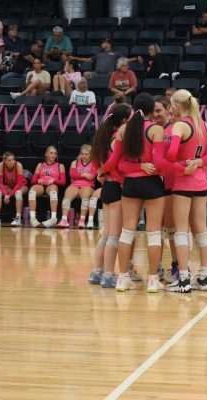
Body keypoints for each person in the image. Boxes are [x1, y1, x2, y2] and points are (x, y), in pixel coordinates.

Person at [107, 93, 186, 292]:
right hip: (152, 185)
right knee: (153, 233)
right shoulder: (156, 129)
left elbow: (117, 163)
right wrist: (182, 169)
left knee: (127, 233)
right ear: (152, 110)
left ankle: (122, 278)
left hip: (130, 185)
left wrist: (102, 170)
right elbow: (159, 162)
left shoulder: (124, 129)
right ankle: (152, 279)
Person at [166, 89, 207, 292]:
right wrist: (201, 161)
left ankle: (183, 279)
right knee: (201, 230)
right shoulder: (203, 125)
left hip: (183, 183)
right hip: (201, 182)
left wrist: (180, 162)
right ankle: (204, 276)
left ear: (176, 105)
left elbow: (172, 154)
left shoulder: (180, 126)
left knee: (181, 231)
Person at [89, 103, 132, 287]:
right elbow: (116, 164)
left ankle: (96, 272)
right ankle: (108, 275)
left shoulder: (104, 137)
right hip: (116, 187)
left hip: (108, 187)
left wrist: (100, 172)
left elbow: (96, 161)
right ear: (124, 120)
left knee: (106, 235)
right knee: (113, 236)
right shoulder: (117, 139)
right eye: (130, 118)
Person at [153, 95, 179, 282]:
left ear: (168, 111)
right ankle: (157, 267)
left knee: (170, 229)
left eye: (159, 111)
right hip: (152, 185)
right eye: (153, 111)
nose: (156, 115)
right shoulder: (151, 131)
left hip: (170, 184)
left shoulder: (174, 130)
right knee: (155, 229)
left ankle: (176, 265)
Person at [57, 144, 98, 228]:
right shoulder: (75, 162)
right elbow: (72, 175)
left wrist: (79, 174)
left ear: (91, 154)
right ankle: (64, 219)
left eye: (86, 154)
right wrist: (84, 175)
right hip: (75, 184)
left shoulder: (94, 163)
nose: (84, 156)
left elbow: (92, 176)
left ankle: (82, 221)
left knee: (85, 197)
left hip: (88, 185)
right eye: (82, 154)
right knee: (66, 198)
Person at [29, 146, 66, 228]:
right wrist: (37, 181)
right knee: (32, 191)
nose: (53, 155)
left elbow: (63, 182)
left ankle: (53, 218)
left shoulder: (60, 165)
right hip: (41, 185)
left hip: (51, 185)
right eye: (51, 153)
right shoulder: (40, 165)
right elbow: (33, 180)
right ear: (46, 154)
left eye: (55, 153)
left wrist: (54, 180)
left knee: (53, 191)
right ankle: (32, 218)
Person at [0, 152, 28, 227]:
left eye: (13, 159)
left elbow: (19, 183)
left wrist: (9, 196)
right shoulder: (1, 165)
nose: (12, 162)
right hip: (9, 186)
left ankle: (18, 217)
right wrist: (6, 194)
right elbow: (0, 183)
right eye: (9, 160)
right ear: (4, 161)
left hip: (22, 186)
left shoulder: (18, 165)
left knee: (18, 193)